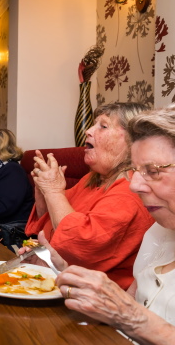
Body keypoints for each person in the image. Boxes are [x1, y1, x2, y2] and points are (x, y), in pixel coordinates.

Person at [25, 103, 175, 345]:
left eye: (152, 171)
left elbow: (79, 242)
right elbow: (133, 302)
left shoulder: (141, 206)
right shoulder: (158, 233)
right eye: (137, 170)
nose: (135, 185)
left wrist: (128, 316)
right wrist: (62, 267)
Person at [25, 102, 154, 290]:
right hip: (61, 279)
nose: (88, 131)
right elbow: (50, 227)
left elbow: (79, 245)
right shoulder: (92, 178)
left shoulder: (132, 189)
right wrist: (43, 193)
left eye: (103, 126)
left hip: (100, 299)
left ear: (133, 140)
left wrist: (53, 190)